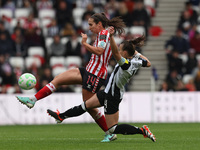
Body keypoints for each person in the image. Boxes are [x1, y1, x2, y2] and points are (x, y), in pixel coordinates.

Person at [16, 13, 126, 142]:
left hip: (95, 75)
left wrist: (84, 43)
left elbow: (99, 51)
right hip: (88, 70)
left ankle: (109, 132)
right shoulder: (103, 34)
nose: (89, 27)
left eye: (91, 24)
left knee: (89, 106)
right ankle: (33, 100)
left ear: (99, 24)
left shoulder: (103, 34)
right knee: (58, 79)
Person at [47, 26, 156, 142]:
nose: (118, 51)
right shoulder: (136, 61)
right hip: (107, 92)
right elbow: (148, 63)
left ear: (124, 52)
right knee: (85, 106)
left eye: (120, 50)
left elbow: (115, 53)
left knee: (113, 129)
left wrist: (111, 37)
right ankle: (61, 116)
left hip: (113, 96)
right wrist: (136, 53)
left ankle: (142, 130)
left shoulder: (126, 65)